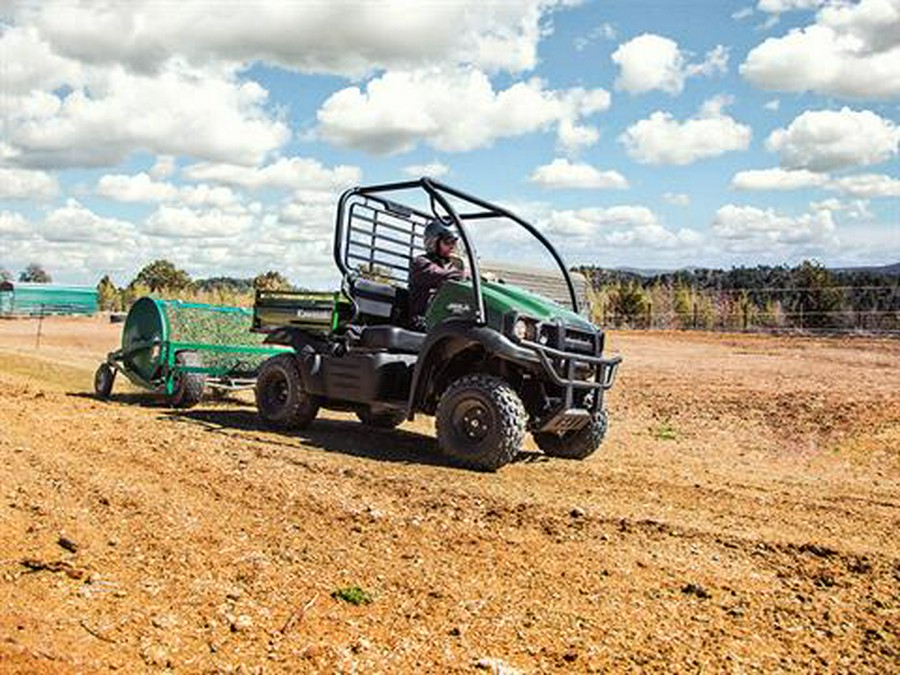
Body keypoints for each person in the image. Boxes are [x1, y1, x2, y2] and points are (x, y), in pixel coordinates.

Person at [408, 218, 469, 330]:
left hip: (444, 319)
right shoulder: (420, 262)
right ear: (433, 242)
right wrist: (463, 272)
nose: (452, 246)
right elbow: (442, 275)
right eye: (447, 242)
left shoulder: (450, 265)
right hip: (423, 320)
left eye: (454, 242)